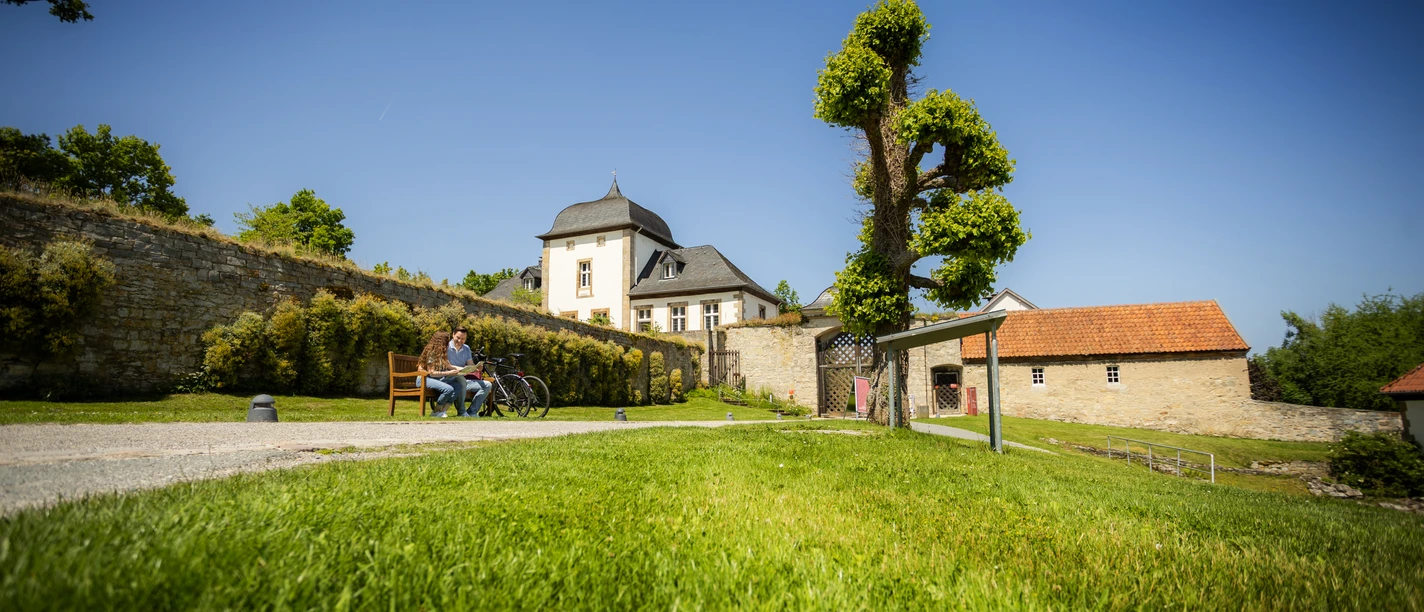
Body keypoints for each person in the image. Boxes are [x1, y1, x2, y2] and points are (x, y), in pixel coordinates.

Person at [417, 331, 466, 418]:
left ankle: (442, 411)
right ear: (443, 342)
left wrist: (467, 370)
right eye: (447, 341)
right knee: (448, 389)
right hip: (424, 379)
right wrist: (449, 373)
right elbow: (431, 373)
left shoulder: (443, 353)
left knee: (458, 386)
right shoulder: (431, 352)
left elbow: (450, 366)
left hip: (435, 379)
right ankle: (435, 412)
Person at [448, 327, 492, 417]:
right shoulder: (446, 347)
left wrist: (476, 368)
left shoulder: (466, 348)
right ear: (453, 335)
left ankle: (472, 412)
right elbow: (446, 366)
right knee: (461, 380)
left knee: (488, 385)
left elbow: (470, 364)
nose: (460, 341)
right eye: (458, 338)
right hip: (449, 379)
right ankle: (462, 412)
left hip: (463, 379)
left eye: (463, 339)